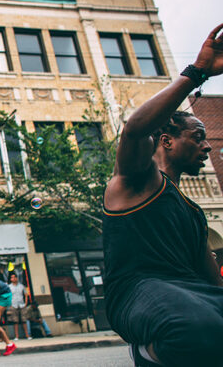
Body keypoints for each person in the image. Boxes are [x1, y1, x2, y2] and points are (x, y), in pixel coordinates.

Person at [102, 23, 223, 367]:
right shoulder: (136, 180)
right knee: (197, 327)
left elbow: (210, 278)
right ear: (167, 140)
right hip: (138, 294)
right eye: (197, 136)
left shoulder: (192, 212)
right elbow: (135, 128)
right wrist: (197, 72)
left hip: (194, 294)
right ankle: (149, 353)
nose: (207, 145)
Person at [7, 273, 30, 340]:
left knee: (24, 320)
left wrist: (25, 303)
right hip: (13, 304)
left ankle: (27, 335)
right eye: (12, 277)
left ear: (17, 278)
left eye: (14, 277)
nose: (13, 279)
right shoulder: (9, 287)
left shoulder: (21, 286)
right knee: (15, 321)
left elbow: (26, 294)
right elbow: (8, 296)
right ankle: (16, 336)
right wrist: (9, 305)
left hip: (21, 304)